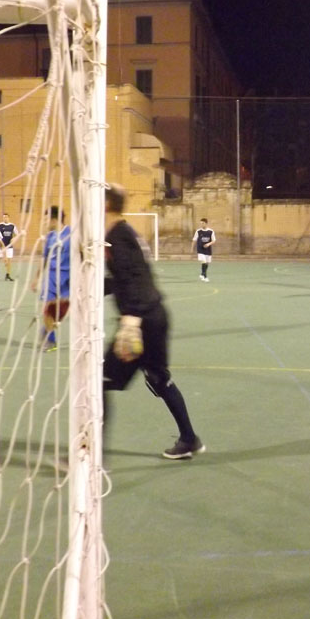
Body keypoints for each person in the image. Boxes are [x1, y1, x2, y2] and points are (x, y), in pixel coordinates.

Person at [103, 185, 204, 460]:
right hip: (155, 315)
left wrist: (131, 322)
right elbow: (124, 278)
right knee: (159, 378)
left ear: (106, 204)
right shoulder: (124, 233)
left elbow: (134, 279)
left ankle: (90, 456)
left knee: (99, 381)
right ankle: (189, 439)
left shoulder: (117, 237)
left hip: (141, 320)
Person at [34, 207, 70, 351]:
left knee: (62, 310)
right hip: (51, 277)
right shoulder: (49, 237)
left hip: (68, 278)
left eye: (46, 220)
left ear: (54, 220)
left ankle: (47, 330)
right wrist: (36, 278)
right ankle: (51, 341)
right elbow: (44, 258)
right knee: (48, 309)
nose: (44, 223)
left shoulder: (71, 234)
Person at [0, 213, 20, 281]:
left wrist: (14, 238)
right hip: (1, 246)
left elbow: (17, 235)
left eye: (6, 217)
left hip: (9, 246)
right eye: (4, 217)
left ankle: (8, 275)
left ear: (9, 218)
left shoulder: (12, 226)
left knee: (9, 261)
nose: (5, 218)